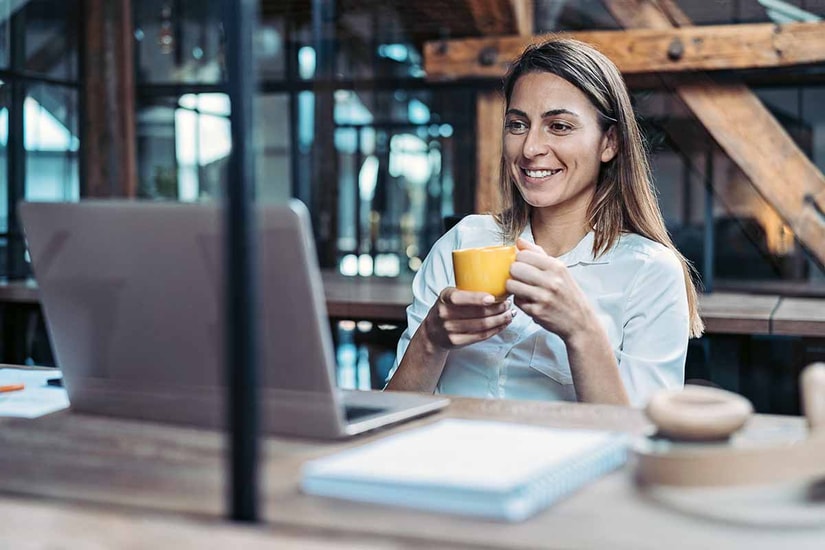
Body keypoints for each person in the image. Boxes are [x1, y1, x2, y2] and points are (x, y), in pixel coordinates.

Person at [386, 38, 704, 407]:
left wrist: (581, 330)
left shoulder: (650, 272)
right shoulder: (463, 241)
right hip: (446, 460)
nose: (530, 148)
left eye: (559, 126)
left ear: (609, 143)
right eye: (518, 124)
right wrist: (430, 339)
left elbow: (643, 443)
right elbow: (389, 415)